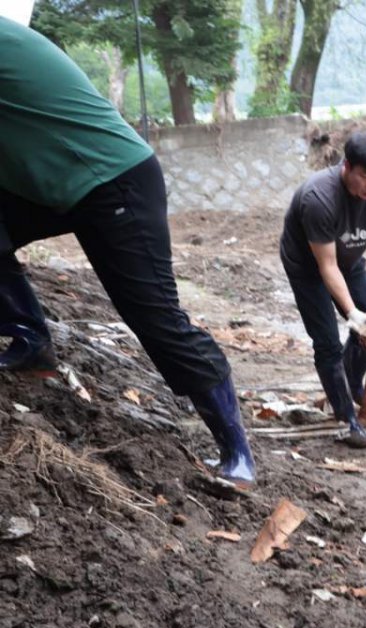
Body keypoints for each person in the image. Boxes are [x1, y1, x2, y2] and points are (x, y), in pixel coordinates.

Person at [0, 17, 254, 486]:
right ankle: (30, 340)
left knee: (156, 318)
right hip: (58, 182)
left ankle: (236, 450)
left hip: (113, 179)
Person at [280, 131, 366, 448]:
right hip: (308, 267)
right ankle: (345, 419)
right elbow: (326, 266)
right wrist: (352, 314)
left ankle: (351, 385)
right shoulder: (319, 198)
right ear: (346, 167)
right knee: (326, 341)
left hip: (349, 261)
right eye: (365, 176)